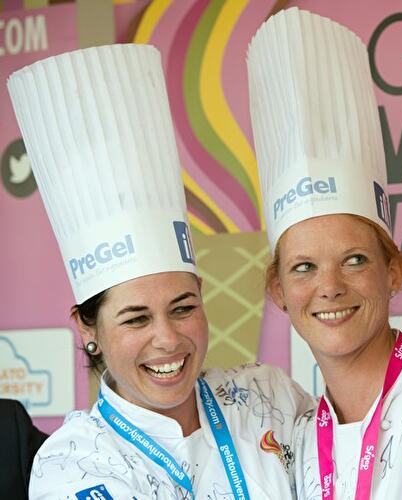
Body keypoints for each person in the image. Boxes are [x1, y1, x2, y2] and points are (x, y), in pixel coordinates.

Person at [8, 44, 314, 499]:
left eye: (183, 307)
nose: (168, 338)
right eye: (136, 318)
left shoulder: (267, 397)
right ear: (87, 327)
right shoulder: (71, 467)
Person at [246, 8, 402, 500]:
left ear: (394, 271)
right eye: (304, 267)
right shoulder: (296, 443)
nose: (329, 286)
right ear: (279, 291)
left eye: (355, 260)